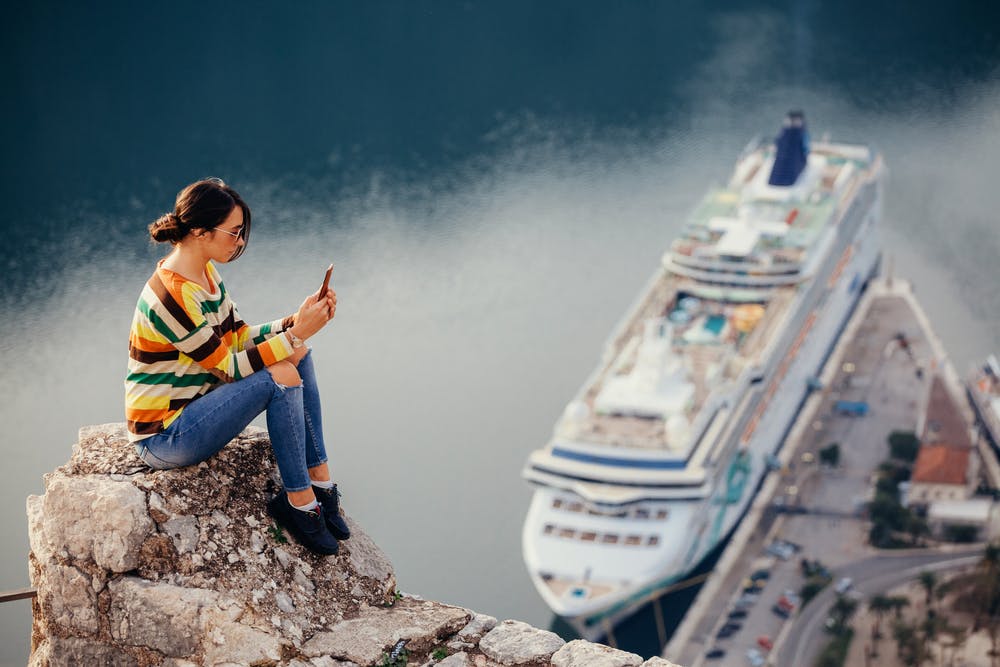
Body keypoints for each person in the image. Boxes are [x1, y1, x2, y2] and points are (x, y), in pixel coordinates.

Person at [125, 178, 349, 555]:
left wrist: (294, 323)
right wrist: (293, 336)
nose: (241, 241)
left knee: (299, 353)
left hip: (197, 409)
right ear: (199, 232)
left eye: (242, 232)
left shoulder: (206, 274)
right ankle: (299, 504)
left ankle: (319, 480)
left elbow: (239, 336)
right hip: (164, 437)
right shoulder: (171, 296)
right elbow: (228, 368)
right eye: (234, 232)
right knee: (281, 377)